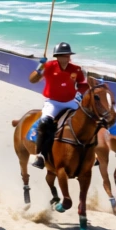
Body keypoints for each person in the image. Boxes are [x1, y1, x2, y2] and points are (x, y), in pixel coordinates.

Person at [26, 42, 89, 170]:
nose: (68, 57)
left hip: (71, 101)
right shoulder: (49, 66)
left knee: (86, 121)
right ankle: (40, 155)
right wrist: (39, 68)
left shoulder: (76, 69)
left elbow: (83, 84)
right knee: (45, 123)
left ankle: (92, 153)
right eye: (64, 55)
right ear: (57, 56)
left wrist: (79, 94)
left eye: (69, 55)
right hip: (53, 103)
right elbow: (32, 80)